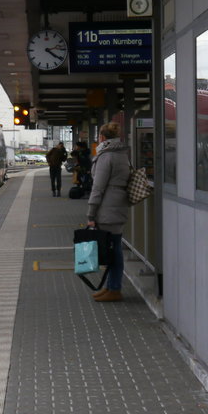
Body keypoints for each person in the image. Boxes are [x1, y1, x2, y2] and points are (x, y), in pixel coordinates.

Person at [85, 122, 131, 302]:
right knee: (114, 247)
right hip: (116, 205)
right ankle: (111, 286)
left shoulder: (106, 156)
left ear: (102, 138)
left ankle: (115, 289)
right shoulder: (121, 154)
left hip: (108, 207)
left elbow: (98, 187)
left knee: (113, 250)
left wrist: (91, 213)